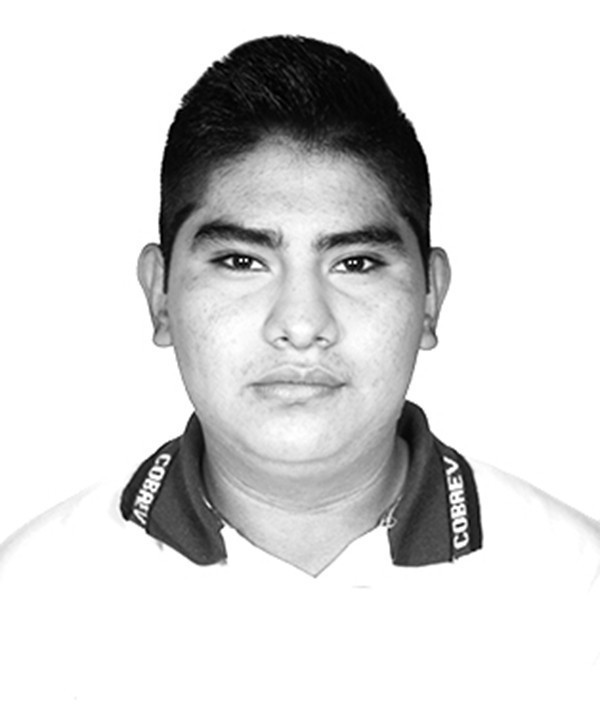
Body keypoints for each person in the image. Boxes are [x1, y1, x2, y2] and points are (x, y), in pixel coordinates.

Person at [0, 35, 598, 718]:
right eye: (240, 261)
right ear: (160, 294)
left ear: (431, 297)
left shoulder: (578, 600)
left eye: (356, 263)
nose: (302, 323)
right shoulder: (27, 611)